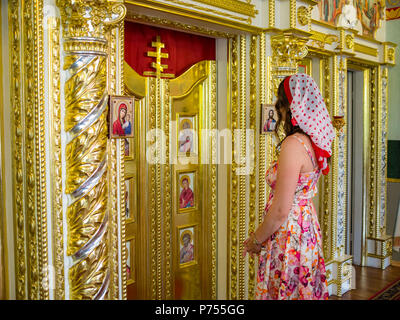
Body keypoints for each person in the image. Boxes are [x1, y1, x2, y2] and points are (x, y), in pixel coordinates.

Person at [243, 73, 334, 300]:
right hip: (306, 227)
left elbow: (281, 210)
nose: (280, 112)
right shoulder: (311, 141)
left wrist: (256, 240)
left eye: (282, 106)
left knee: (286, 289)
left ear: (291, 107)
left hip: (290, 233)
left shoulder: (293, 144)